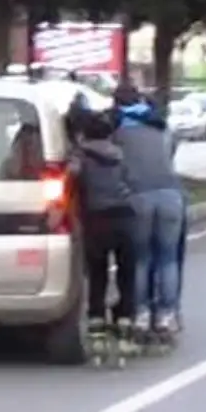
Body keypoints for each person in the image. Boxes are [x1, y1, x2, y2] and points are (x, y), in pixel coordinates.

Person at [109, 86, 186, 335]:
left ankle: (141, 313)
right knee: (168, 258)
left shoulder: (118, 130)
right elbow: (171, 153)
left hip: (139, 196)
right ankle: (167, 314)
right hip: (171, 195)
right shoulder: (160, 125)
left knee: (142, 258)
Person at [72, 111, 138, 340]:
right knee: (126, 271)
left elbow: (72, 183)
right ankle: (125, 315)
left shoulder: (80, 159)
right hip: (125, 217)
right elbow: (133, 182)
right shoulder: (122, 155)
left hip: (97, 219)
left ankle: (96, 316)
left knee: (98, 272)